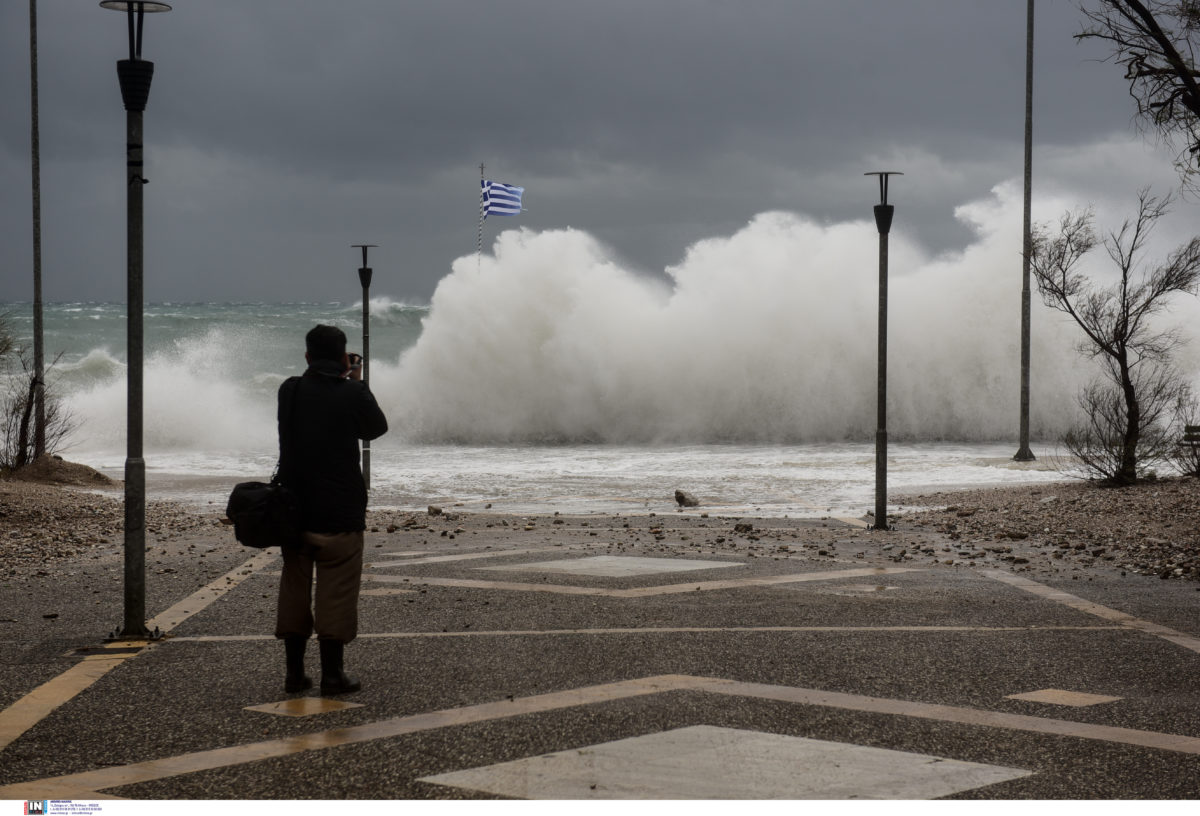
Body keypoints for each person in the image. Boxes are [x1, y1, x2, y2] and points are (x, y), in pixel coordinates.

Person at [275, 324, 388, 695]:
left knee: (294, 586)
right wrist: (355, 378)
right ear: (343, 358)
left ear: (307, 356)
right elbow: (375, 429)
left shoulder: (289, 391)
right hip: (340, 510)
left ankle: (294, 674)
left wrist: (343, 377)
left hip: (294, 509)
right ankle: (332, 675)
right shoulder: (352, 392)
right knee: (335, 591)